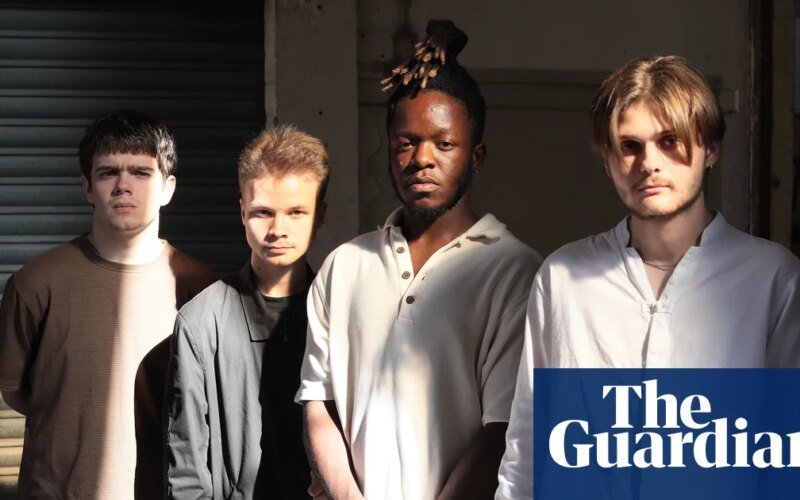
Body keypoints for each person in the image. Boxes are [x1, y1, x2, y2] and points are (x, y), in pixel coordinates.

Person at [495, 55, 800, 499]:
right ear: (607, 160)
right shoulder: (562, 278)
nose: (649, 163)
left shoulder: (773, 279)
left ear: (711, 148)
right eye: (629, 146)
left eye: (669, 140)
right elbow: (526, 445)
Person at [297, 20, 541, 500]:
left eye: (444, 144)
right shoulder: (344, 265)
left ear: (475, 157)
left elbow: (502, 429)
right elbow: (318, 402)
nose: (421, 159)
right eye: (406, 142)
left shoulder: (516, 272)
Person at [0, 110, 215, 499]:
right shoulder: (36, 283)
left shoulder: (202, 289)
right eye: (108, 173)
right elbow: (17, 391)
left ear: (168, 188)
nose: (123, 186)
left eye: (141, 172)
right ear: (87, 186)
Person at [166, 125, 328, 499]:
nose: (277, 229)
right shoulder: (200, 322)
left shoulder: (342, 314)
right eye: (262, 212)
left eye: (296, 212)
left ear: (320, 214)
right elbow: (185, 469)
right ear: (242, 211)